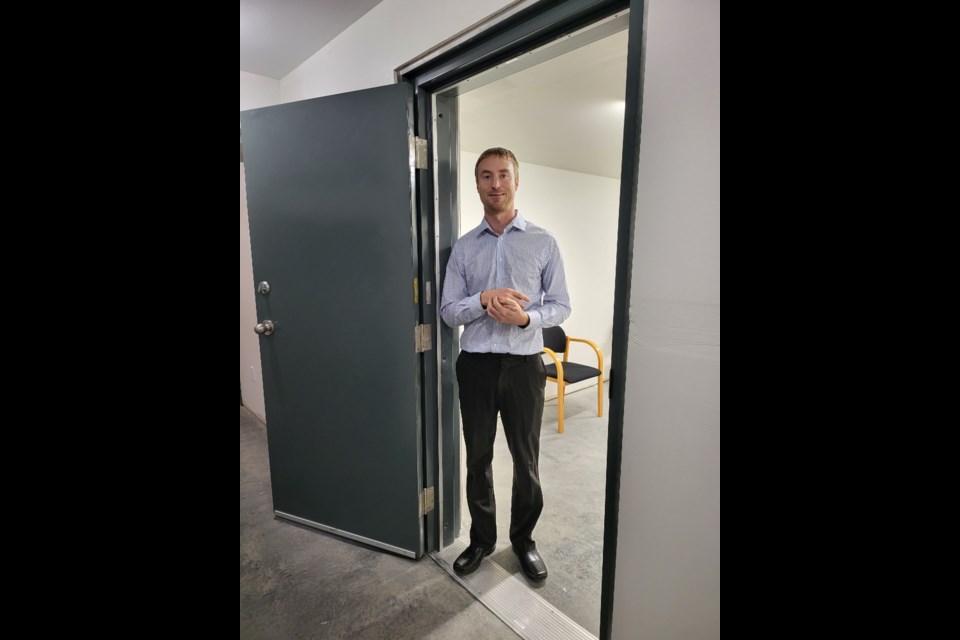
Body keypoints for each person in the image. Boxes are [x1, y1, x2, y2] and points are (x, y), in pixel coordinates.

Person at [440, 147, 571, 582]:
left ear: (517, 181)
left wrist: (526, 318)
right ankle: (481, 540)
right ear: (476, 184)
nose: (495, 184)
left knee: (525, 459)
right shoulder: (462, 249)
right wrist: (482, 299)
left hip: (523, 367)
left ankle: (524, 540)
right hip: (475, 366)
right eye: (485, 176)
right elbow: (447, 312)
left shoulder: (543, 241)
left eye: (502, 175)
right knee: (477, 458)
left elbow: (560, 305)